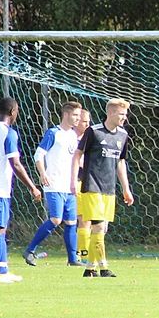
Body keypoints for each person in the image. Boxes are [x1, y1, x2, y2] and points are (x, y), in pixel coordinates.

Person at [0, 97, 42, 283]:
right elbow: (15, 164)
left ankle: (3, 270)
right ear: (13, 112)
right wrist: (32, 187)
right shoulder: (8, 133)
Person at [71, 98, 134, 278]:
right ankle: (104, 267)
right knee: (98, 226)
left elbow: (120, 162)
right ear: (111, 113)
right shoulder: (94, 131)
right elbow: (77, 155)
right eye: (121, 114)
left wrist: (126, 188)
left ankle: (90, 268)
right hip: (91, 185)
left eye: (125, 114)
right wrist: (72, 181)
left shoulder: (123, 135)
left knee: (102, 229)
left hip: (109, 188)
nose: (124, 117)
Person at [23, 101, 84, 267]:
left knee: (71, 222)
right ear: (66, 114)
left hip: (69, 186)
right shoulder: (53, 133)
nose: (78, 119)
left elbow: (75, 159)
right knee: (56, 219)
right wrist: (43, 173)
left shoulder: (73, 135)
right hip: (54, 184)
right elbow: (38, 155)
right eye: (75, 115)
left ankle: (73, 259)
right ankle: (30, 250)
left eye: (79, 115)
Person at [73, 109, 93, 264]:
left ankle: (81, 253)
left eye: (88, 121)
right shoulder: (70, 139)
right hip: (76, 181)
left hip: (88, 182)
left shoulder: (90, 138)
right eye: (84, 121)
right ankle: (81, 254)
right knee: (83, 218)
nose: (87, 125)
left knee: (87, 219)